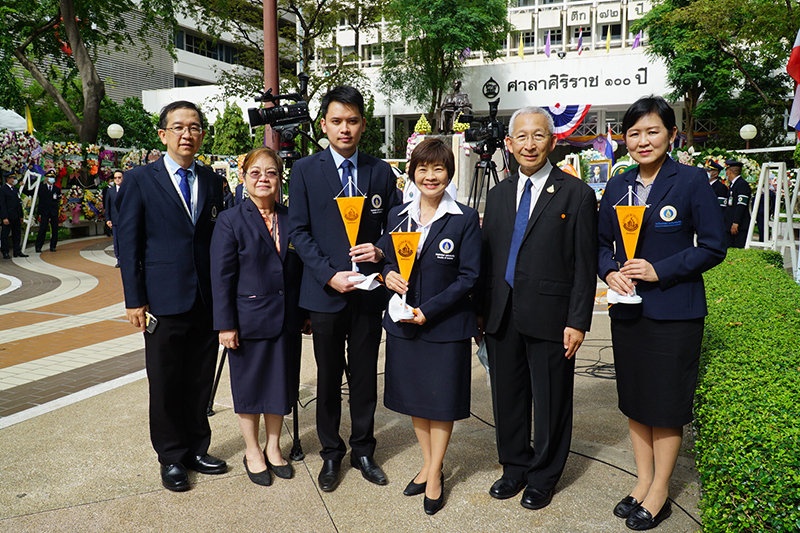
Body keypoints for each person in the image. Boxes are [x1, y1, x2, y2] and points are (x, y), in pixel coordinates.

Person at [598, 96, 726, 530]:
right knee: (635, 399)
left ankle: (660, 491)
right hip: (628, 311)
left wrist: (660, 270)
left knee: (666, 403)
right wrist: (609, 271)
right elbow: (600, 243)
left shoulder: (690, 181)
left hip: (674, 312)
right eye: (634, 133)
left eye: (652, 131)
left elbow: (714, 247)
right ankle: (643, 481)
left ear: (671, 134)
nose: (643, 141)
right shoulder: (618, 184)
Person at [477, 107, 597, 511]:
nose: (530, 145)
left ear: (553, 141)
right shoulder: (497, 195)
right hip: (501, 313)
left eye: (538, 135)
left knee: (550, 402)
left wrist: (577, 321)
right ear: (509, 144)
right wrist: (480, 313)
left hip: (552, 316)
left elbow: (584, 265)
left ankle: (543, 476)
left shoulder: (577, 194)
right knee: (507, 398)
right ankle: (514, 467)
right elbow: (487, 258)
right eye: (522, 137)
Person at [288, 85, 400, 492]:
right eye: (337, 121)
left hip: (368, 292)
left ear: (363, 124)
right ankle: (331, 452)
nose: (345, 129)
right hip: (326, 294)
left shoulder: (380, 171)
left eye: (352, 121)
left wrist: (381, 249)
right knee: (328, 376)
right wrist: (327, 275)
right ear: (324, 125)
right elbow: (298, 231)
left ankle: (364, 449)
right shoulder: (304, 170)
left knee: (366, 376)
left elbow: (397, 222)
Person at [116, 100, 227, 492]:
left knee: (199, 378)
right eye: (178, 127)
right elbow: (128, 243)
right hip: (162, 299)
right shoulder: (139, 180)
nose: (187, 134)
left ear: (201, 134)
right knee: (165, 382)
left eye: (194, 127)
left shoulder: (212, 180)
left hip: (205, 299)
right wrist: (134, 299)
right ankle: (171, 457)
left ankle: (197, 448)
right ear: (163, 134)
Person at [380, 139, 480, 515]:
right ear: (412, 173)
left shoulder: (464, 218)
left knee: (441, 404)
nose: (430, 176)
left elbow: (469, 276)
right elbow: (387, 259)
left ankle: (435, 473)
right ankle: (427, 463)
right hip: (405, 324)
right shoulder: (398, 214)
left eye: (438, 168)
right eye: (422, 168)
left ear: (449, 173)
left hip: (445, 326)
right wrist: (387, 274)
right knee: (417, 401)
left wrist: (429, 310)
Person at [211, 147, 310, 487]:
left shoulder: (292, 217)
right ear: (243, 178)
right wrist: (225, 324)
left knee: (281, 385)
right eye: (255, 173)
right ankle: (252, 450)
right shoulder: (230, 220)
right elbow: (221, 276)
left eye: (271, 172)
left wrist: (305, 313)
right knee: (250, 387)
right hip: (247, 320)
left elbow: (300, 270)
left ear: (280, 178)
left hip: (287, 319)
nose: (263, 178)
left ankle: (273, 446)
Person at [723, 160, 751, 248]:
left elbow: (741, 205)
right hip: (729, 224)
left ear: (729, 172)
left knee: (737, 248)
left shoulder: (742, 184)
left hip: (738, 226)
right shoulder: (733, 184)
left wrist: (736, 222)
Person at [1, 172, 28, 259]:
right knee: (5, 235)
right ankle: (5, 252)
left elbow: (19, 203)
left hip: (16, 216)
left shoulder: (15, 189)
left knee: (17, 234)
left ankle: (17, 251)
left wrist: (21, 216)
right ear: (8, 179)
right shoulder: (3, 189)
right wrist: (4, 217)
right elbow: (2, 204)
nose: (14, 180)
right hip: (8, 216)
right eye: (13, 178)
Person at [34, 170, 62, 253]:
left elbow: (58, 199)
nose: (51, 179)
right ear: (46, 178)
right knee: (43, 228)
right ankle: (38, 246)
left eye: (53, 177)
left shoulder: (57, 189)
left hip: (53, 211)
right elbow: (31, 192)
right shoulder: (41, 187)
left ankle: (53, 246)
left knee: (55, 229)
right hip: (44, 211)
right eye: (50, 177)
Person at [104, 170, 123, 267]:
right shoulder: (110, 191)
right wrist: (108, 219)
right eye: (115, 178)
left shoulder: (128, 189)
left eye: (119, 177)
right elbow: (107, 206)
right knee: (116, 241)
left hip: (126, 220)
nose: (117, 179)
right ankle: (119, 260)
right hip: (115, 220)